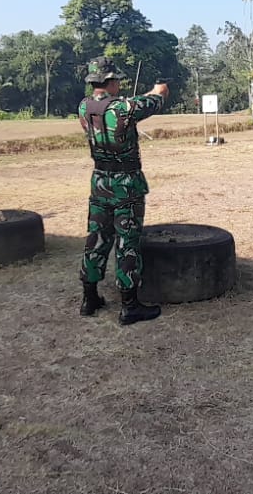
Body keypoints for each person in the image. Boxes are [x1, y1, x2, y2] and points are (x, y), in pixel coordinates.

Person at [76, 57, 168, 325]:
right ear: (112, 81)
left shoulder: (83, 107)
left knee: (97, 239)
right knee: (127, 242)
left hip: (99, 182)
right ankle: (130, 306)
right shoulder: (124, 107)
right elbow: (157, 98)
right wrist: (160, 86)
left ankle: (89, 298)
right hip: (125, 184)